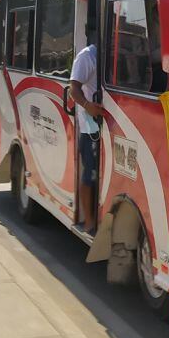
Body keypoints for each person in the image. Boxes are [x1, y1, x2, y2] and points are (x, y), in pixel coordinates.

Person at [69, 30, 102, 234]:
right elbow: (74, 89)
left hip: (108, 128)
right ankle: (89, 221)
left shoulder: (116, 54)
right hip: (90, 129)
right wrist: (87, 105)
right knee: (89, 175)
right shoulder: (87, 56)